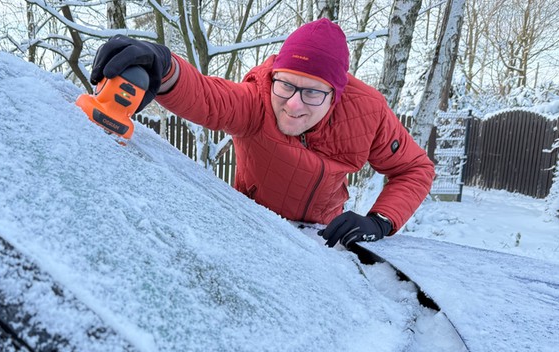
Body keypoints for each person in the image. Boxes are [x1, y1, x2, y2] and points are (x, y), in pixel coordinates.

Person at [90, 18, 435, 248]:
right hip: (249, 231)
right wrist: (164, 67)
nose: (294, 105)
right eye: (286, 85)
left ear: (337, 94)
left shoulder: (367, 113)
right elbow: (209, 97)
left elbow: (415, 169)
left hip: (320, 242)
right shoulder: (257, 100)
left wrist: (380, 221)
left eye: (313, 93)